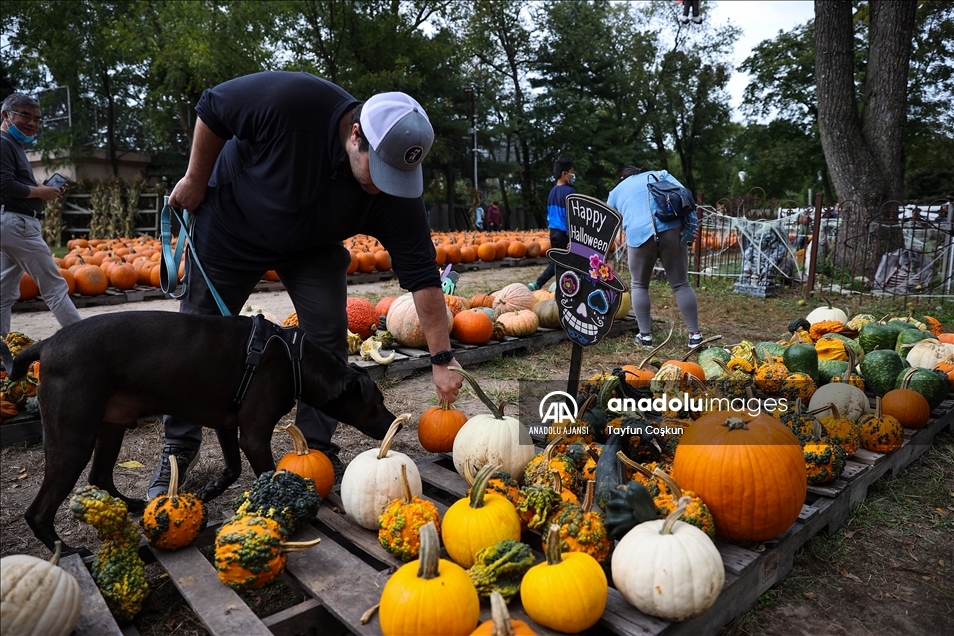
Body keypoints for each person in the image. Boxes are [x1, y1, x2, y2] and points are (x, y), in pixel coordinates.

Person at [147, 71, 463, 498]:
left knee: (327, 335)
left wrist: (441, 356)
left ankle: (314, 447)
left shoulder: (394, 195)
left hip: (312, 247)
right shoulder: (293, 103)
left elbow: (423, 276)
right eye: (379, 170)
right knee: (199, 335)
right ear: (356, 135)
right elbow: (213, 107)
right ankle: (179, 447)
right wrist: (195, 178)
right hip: (232, 227)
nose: (383, 186)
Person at [1, 93, 82, 338]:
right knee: (55, 287)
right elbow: (4, 185)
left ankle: (1, 352)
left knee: (3, 294)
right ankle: (85, 343)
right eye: (25, 115)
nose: (33, 123)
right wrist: (41, 191)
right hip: (18, 225)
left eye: (37, 119)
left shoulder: (12, 144)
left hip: (10, 224)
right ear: (6, 115)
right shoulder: (3, 142)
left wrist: (43, 190)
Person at [607, 165, 702, 348]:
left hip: (638, 236)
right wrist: (690, 229)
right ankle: (695, 335)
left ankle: (645, 337)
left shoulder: (616, 191)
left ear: (622, 177)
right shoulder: (660, 174)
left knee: (639, 285)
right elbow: (686, 197)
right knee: (681, 284)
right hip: (670, 229)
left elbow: (605, 222)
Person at [528, 158, 575, 291]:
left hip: (553, 231)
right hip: (564, 232)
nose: (572, 176)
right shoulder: (570, 192)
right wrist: (572, 238)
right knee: (562, 262)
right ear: (564, 174)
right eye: (571, 172)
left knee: (559, 261)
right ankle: (539, 283)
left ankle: (561, 288)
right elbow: (571, 218)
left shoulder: (552, 191)